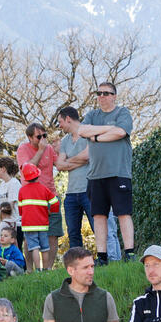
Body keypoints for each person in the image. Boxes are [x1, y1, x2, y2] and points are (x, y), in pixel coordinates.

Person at [78, 82, 136, 263]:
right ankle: (102, 256)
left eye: (106, 93)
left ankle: (130, 253)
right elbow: (81, 130)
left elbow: (120, 132)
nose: (101, 96)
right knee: (99, 216)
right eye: (99, 93)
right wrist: (107, 129)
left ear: (114, 96)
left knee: (123, 213)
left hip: (119, 172)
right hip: (96, 175)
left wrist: (95, 137)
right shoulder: (92, 115)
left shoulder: (122, 113)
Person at [16, 123, 62, 269]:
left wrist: (60, 150)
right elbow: (27, 169)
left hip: (50, 195)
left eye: (44, 135)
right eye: (38, 136)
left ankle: (48, 269)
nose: (42, 139)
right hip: (31, 199)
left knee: (52, 235)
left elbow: (60, 164)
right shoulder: (23, 149)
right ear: (30, 137)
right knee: (30, 238)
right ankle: (30, 270)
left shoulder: (49, 148)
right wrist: (41, 151)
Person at [56, 106, 91, 250]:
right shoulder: (64, 141)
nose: (60, 125)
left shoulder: (89, 133)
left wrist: (68, 162)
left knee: (98, 227)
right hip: (71, 194)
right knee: (73, 233)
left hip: (89, 189)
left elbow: (89, 156)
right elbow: (59, 165)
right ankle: (77, 264)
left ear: (68, 119)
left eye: (60, 122)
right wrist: (80, 160)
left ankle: (106, 261)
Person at [17, 163, 59, 272]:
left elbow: (20, 209)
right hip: (42, 223)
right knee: (45, 248)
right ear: (38, 175)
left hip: (28, 225)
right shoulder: (44, 189)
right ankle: (46, 269)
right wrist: (51, 211)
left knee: (34, 247)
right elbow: (55, 202)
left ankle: (38, 269)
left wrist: (24, 214)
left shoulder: (22, 190)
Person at [0, 158, 22, 248]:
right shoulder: (2, 184)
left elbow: (9, 206)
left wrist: (0, 210)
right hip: (4, 223)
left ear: (3, 169)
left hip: (14, 224)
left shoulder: (14, 183)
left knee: (15, 252)